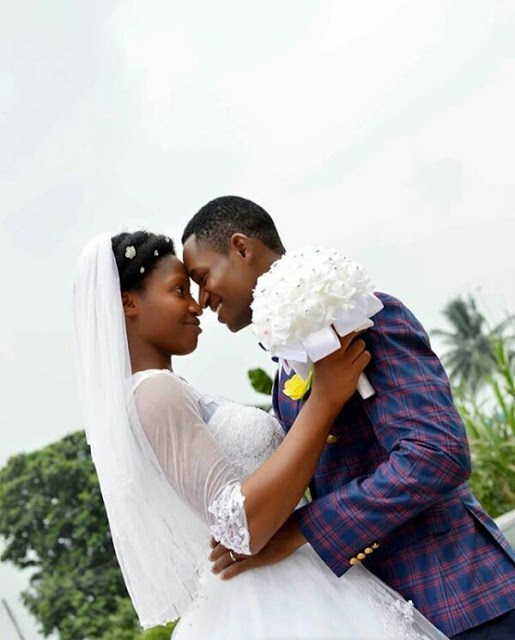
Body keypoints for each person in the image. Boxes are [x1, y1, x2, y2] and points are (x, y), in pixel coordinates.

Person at [73, 230, 450, 639]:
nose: (196, 305)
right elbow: (237, 528)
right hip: (276, 599)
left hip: (297, 582)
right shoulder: (154, 390)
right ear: (129, 303)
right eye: (179, 290)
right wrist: (324, 399)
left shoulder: (167, 391)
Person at [181, 195, 515, 640]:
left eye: (202, 277)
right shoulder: (284, 375)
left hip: (464, 600)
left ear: (242, 248)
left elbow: (437, 455)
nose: (202, 300)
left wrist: (304, 529)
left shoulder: (361, 318)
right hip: (387, 615)